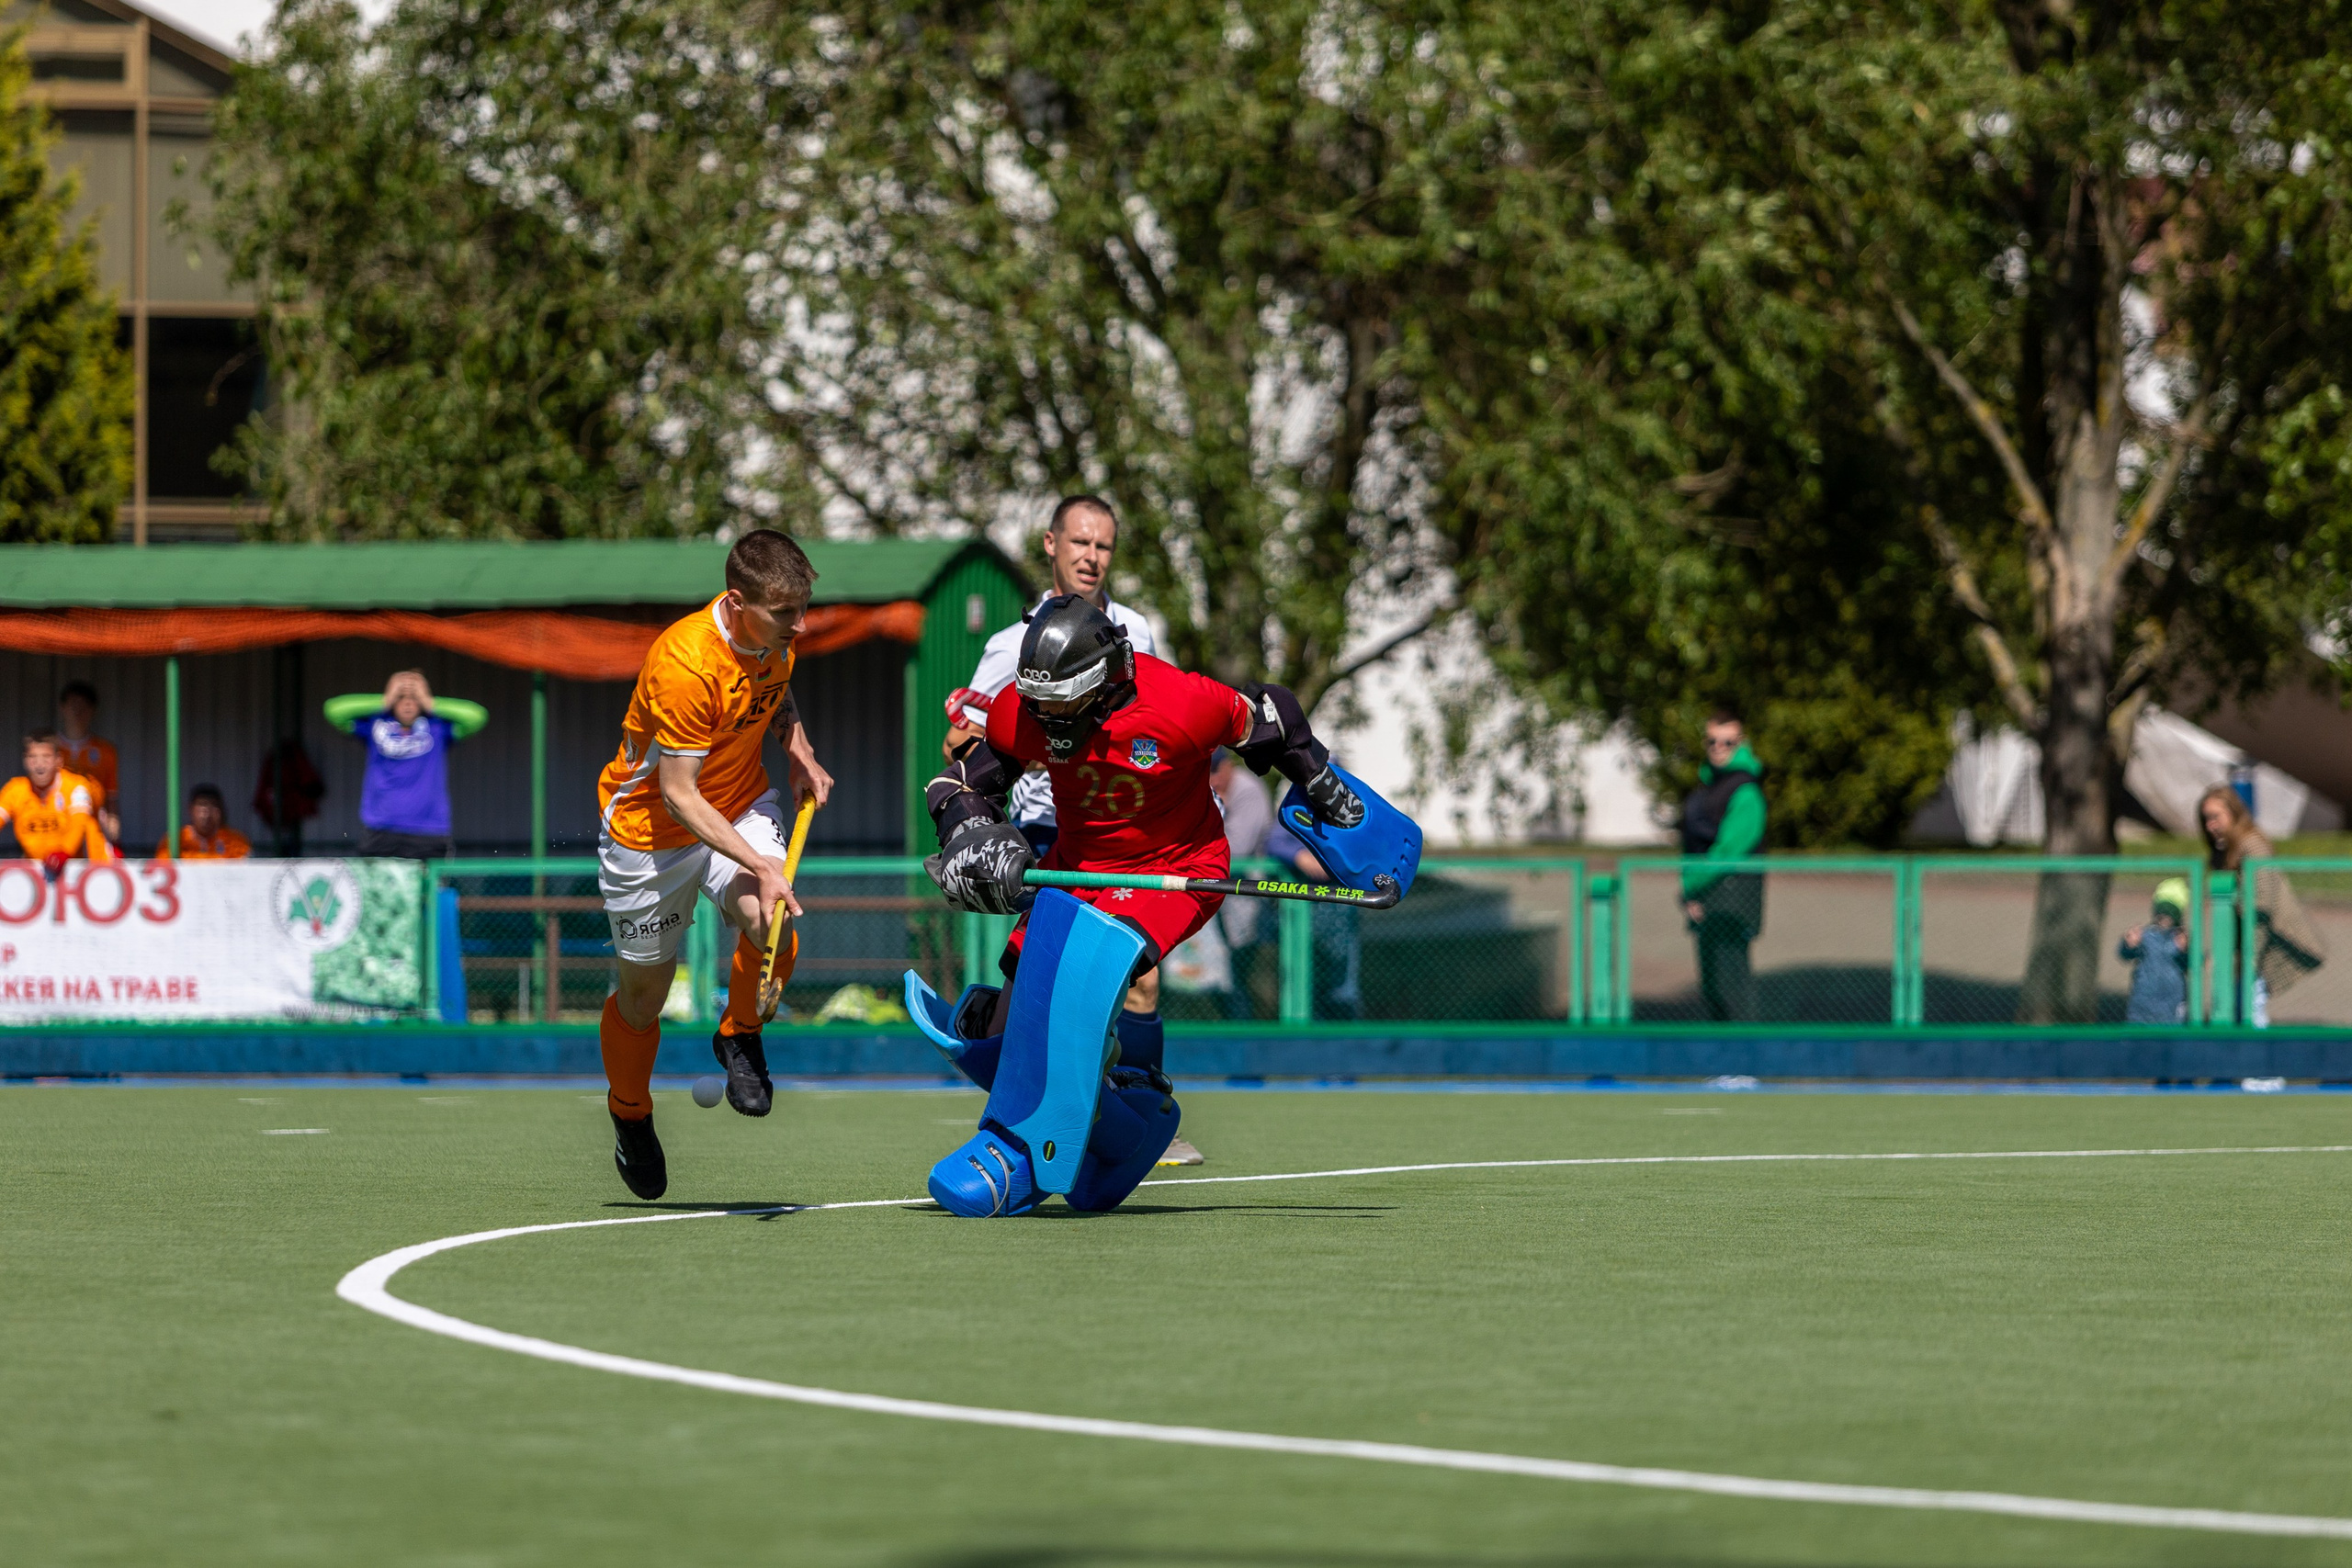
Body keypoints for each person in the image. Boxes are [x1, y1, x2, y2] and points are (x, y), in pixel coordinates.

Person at [911, 593, 1397, 1216]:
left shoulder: (1181, 703)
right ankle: (1125, 1132)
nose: (1046, 721)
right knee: (1001, 1037)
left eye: (1061, 705)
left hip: (1175, 870)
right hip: (1077, 866)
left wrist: (1326, 788)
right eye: (1039, 704)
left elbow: (1270, 717)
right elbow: (958, 782)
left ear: (1103, 681)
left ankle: (1018, 1146)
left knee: (1073, 990)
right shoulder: (1027, 710)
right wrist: (966, 831)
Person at [593, 529, 834, 1199]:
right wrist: (761, 856)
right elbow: (677, 793)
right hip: (649, 833)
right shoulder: (686, 663)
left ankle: (739, 1033)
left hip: (739, 798)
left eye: (803, 607)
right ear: (737, 602)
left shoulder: (773, 640)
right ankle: (630, 1113)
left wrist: (799, 749)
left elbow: (772, 695)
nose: (801, 624)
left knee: (769, 916)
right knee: (643, 998)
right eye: (787, 612)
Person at [940, 496, 1179, 1133]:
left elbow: (1161, 717)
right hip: (1049, 832)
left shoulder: (1139, 631)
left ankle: (1141, 1111)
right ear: (1051, 544)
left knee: (1139, 979)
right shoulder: (1010, 644)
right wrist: (1030, 753)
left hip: (1125, 828)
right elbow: (963, 746)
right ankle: (1008, 1079)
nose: (1091, 558)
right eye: (1080, 544)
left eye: (1103, 547)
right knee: (1045, 979)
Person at [2199, 784, 2325, 1027]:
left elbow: (2261, 904)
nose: (2210, 826)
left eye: (2216, 817)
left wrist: (2250, 957)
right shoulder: (2227, 849)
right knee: (2240, 1009)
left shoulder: (2253, 846)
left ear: (2234, 813)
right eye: (2206, 819)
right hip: (2247, 947)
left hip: (2266, 941)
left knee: (2250, 1011)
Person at [324, 671, 487, 859]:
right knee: (377, 888)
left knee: (429, 888)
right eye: (401, 697)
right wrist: (385, 700)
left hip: (428, 831)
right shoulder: (376, 725)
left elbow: (477, 717)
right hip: (380, 829)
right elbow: (333, 711)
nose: (408, 703)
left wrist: (429, 702)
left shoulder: (437, 728)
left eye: (414, 697)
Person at [1679, 709, 1767, 1022]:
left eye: (1728, 742)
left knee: (1734, 990)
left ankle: (1745, 1065)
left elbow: (1728, 852)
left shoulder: (1745, 792)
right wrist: (1692, 896)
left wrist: (1691, 885)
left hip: (1731, 905)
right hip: (1707, 902)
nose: (1719, 747)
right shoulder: (1707, 788)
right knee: (1713, 989)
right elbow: (1693, 846)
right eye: (1712, 741)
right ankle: (1723, 1067)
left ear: (1741, 743)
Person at [1210, 747, 1274, 1020]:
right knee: (1225, 979)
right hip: (1224, 898)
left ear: (1228, 765)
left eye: (1214, 770)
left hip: (1252, 899)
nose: (1211, 779)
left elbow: (1237, 849)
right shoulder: (1213, 791)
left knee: (1254, 975)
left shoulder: (1247, 789)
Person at [0, 731, 113, 874]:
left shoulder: (76, 786)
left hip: (82, 870)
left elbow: (79, 822)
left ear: (59, 760)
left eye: (46, 757)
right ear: (25, 761)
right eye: (32, 757)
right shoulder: (16, 789)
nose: (39, 765)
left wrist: (64, 852)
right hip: (38, 872)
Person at [2118, 877, 2191, 1025]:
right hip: (2142, 1004)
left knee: (2170, 1043)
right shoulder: (2145, 936)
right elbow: (2125, 955)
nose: (2164, 920)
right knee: (2139, 1042)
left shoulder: (2181, 938)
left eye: (2169, 915)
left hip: (2172, 1006)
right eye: (2161, 916)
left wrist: (2184, 951)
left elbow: (2190, 963)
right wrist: (2129, 944)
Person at [55, 681, 120, 844]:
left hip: (93, 830)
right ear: (62, 708)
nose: (78, 711)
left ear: (92, 710)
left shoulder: (106, 751)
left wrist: (113, 832)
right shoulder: (49, 749)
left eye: (83, 706)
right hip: (57, 829)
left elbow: (111, 799)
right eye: (73, 705)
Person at [156, 784, 251, 860]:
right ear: (190, 809)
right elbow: (164, 863)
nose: (206, 813)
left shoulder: (235, 840)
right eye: (201, 805)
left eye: (213, 806)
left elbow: (243, 865)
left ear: (221, 810)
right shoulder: (176, 840)